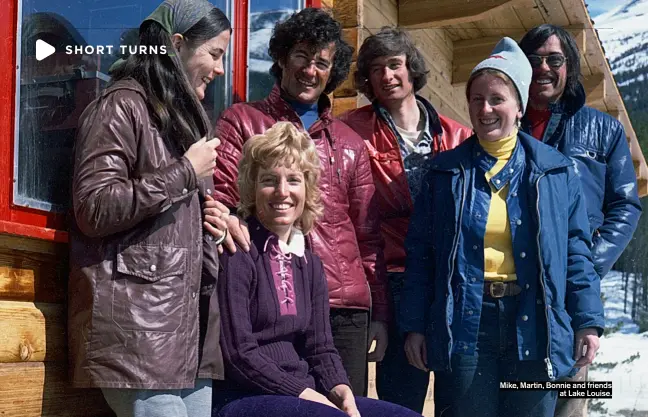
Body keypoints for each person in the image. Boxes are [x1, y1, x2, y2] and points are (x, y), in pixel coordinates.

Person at [400, 37, 605, 417]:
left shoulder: (555, 171)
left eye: (497, 98)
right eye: (477, 99)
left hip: (536, 323)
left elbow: (576, 252)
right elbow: (421, 257)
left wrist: (587, 322)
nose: (486, 108)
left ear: (519, 106)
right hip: (466, 325)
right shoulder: (445, 172)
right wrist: (415, 325)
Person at [204, 7, 388, 395]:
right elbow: (220, 198)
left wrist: (381, 313)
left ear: (332, 72)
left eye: (322, 62)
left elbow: (369, 239)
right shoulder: (242, 121)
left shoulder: (352, 145)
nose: (310, 70)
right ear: (283, 57)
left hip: (342, 304)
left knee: (344, 404)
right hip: (270, 300)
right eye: (302, 56)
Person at [68, 1, 231, 416]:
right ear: (176, 45)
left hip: (187, 338)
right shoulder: (120, 105)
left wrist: (211, 219)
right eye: (214, 53)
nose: (221, 70)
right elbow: (93, 206)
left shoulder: (182, 120)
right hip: (138, 337)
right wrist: (184, 173)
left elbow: (167, 218)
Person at [213, 121, 422, 417]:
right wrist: (305, 394)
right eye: (269, 180)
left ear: (308, 188)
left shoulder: (308, 263)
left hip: (301, 394)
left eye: (293, 180)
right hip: (245, 396)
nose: (282, 192)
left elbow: (321, 347)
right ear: (252, 188)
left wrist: (340, 387)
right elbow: (238, 355)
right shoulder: (238, 252)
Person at [339, 27, 472, 412]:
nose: (386, 75)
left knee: (459, 394)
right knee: (401, 398)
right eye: (376, 68)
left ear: (412, 68)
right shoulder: (351, 131)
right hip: (389, 278)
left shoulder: (457, 135)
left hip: (447, 281)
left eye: (394, 64)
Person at [518, 24, 642, 417]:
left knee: (571, 395)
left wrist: (588, 264)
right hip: (515, 281)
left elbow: (626, 206)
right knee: (520, 390)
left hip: (572, 289)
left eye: (554, 59)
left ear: (570, 66)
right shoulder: (504, 123)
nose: (543, 69)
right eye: (533, 60)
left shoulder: (604, 129)